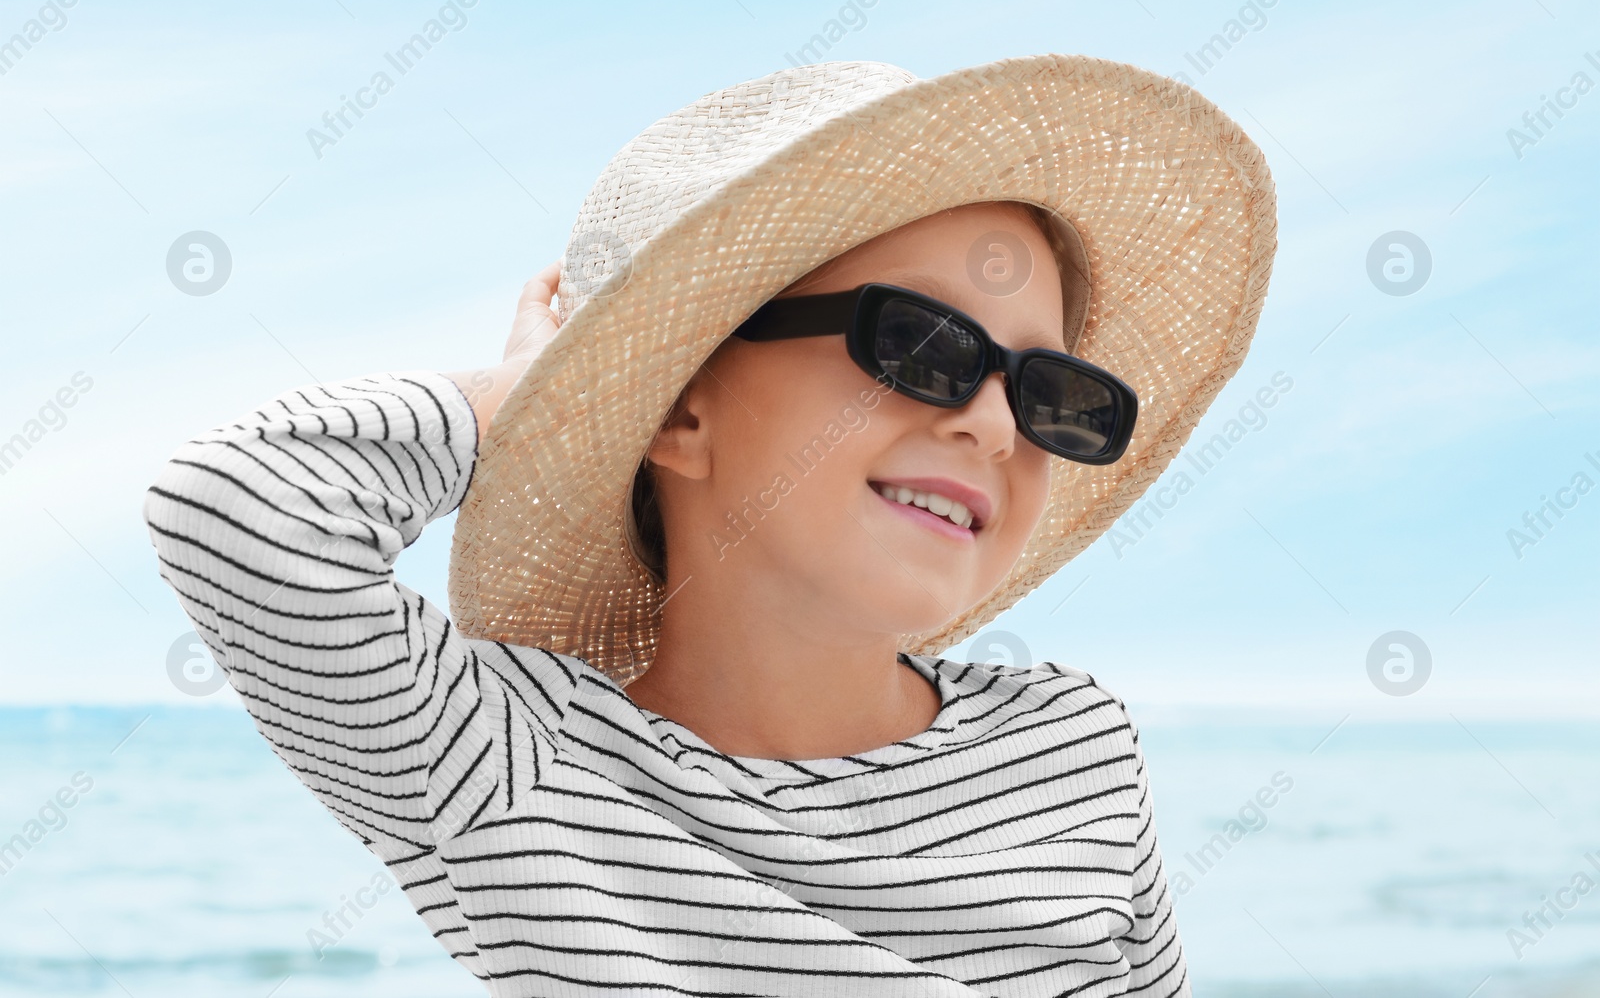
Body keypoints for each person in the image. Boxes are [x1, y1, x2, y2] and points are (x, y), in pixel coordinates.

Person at [142, 54, 1276, 997]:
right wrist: (546, 390)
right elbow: (233, 505)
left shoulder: (1070, 747)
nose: (993, 424)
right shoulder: (513, 760)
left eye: (1051, 397)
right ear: (680, 406)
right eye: (925, 349)